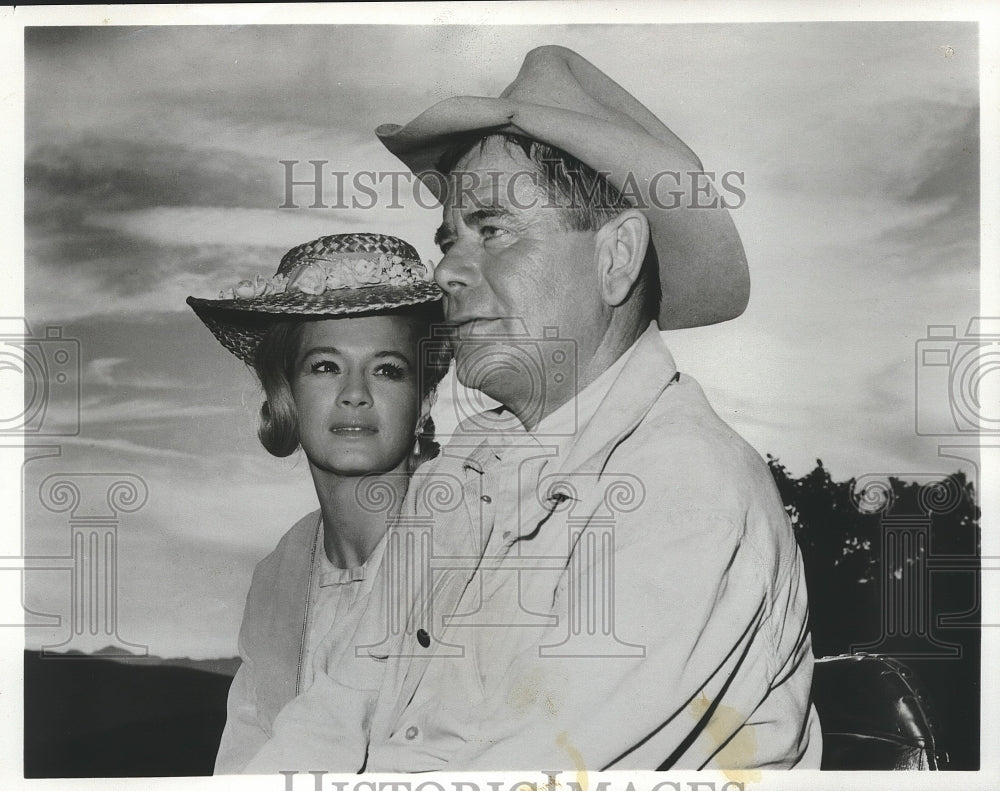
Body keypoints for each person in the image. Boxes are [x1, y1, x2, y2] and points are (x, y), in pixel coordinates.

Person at [355, 46, 823, 770]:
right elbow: (337, 699)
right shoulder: (462, 472)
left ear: (616, 258)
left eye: (493, 229)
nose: (445, 267)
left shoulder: (684, 487)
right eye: (448, 238)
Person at [186, 232, 448, 773]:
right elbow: (244, 757)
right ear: (286, 394)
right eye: (325, 366)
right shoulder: (278, 575)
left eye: (387, 369)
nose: (355, 393)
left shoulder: (474, 538)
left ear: (423, 401)